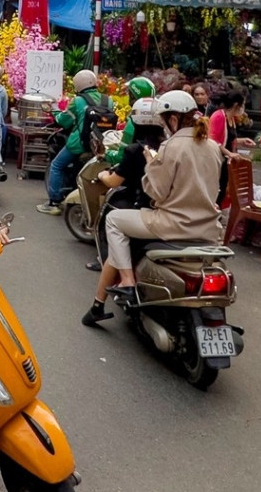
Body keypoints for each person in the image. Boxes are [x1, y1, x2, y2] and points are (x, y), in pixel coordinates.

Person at [84, 90, 223, 327]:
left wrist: (152, 164)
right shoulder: (212, 147)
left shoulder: (171, 146)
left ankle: (127, 281)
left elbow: (156, 192)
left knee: (114, 220)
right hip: (210, 229)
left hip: (172, 225)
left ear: (173, 118)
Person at [37, 69, 110, 215]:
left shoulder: (77, 101)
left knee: (56, 165)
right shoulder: (108, 100)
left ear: (78, 85)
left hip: (79, 144)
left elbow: (64, 121)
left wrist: (55, 111)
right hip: (101, 144)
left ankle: (54, 203)